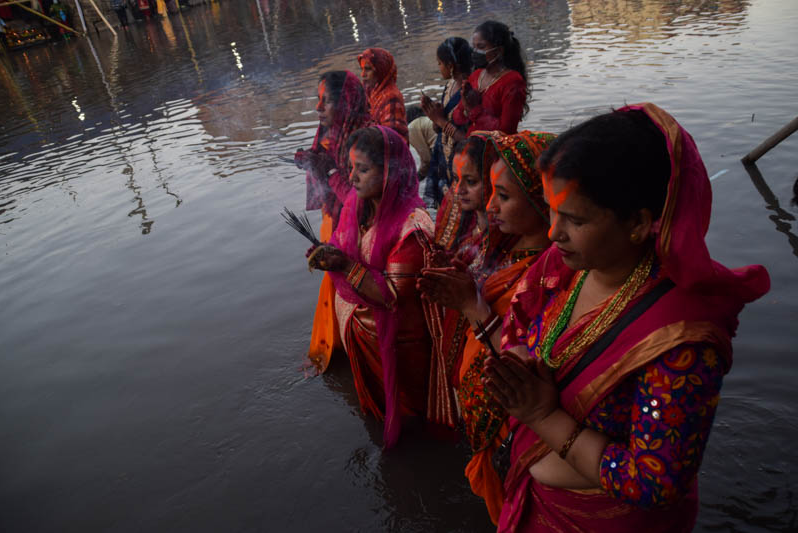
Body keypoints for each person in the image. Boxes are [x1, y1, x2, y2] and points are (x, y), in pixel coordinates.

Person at [479, 104, 769, 532]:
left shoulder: (682, 339)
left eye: (574, 219)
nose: (554, 232)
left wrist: (542, 418)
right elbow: (521, 329)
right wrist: (520, 361)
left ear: (637, 222)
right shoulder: (561, 268)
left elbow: (655, 481)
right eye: (551, 210)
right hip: (536, 498)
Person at [419, 130, 555, 524]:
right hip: (487, 405)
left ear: (541, 201)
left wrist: (471, 303)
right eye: (491, 191)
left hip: (513, 423)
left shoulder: (549, 274)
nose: (491, 205)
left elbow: (528, 360)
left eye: (505, 196)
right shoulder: (503, 246)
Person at [307, 126, 434, 448]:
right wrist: (327, 254)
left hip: (401, 343)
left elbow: (392, 296)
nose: (352, 177)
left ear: (390, 172)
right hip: (367, 337)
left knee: (412, 421)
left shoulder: (412, 227)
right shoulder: (359, 206)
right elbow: (343, 245)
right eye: (351, 168)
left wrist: (346, 266)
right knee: (378, 412)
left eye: (362, 169)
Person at [294, 71, 371, 374]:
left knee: (351, 286)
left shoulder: (366, 139)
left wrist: (328, 172)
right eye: (317, 100)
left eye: (325, 101)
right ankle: (338, 346)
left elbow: (360, 201)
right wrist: (311, 161)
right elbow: (326, 172)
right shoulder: (329, 133)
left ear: (347, 103)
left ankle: (351, 353)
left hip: (359, 229)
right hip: (335, 222)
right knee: (333, 284)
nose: (318, 108)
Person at [418, 37, 473, 204]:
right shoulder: (449, 86)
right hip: (445, 159)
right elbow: (439, 129)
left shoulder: (469, 90)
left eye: (440, 64)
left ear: (451, 66)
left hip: (464, 163)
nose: (438, 68)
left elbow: (470, 140)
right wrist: (434, 116)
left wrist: (441, 121)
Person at [451, 21, 529, 137]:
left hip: (496, 151)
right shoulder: (476, 75)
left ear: (499, 50)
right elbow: (457, 117)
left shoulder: (512, 81)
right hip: (470, 147)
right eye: (474, 47)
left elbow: (505, 131)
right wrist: (466, 106)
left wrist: (475, 109)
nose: (476, 52)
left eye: (481, 47)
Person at [357, 48, 408, 142]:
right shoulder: (371, 93)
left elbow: (393, 140)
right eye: (362, 69)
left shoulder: (391, 97)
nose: (362, 74)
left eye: (368, 69)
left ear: (381, 70)